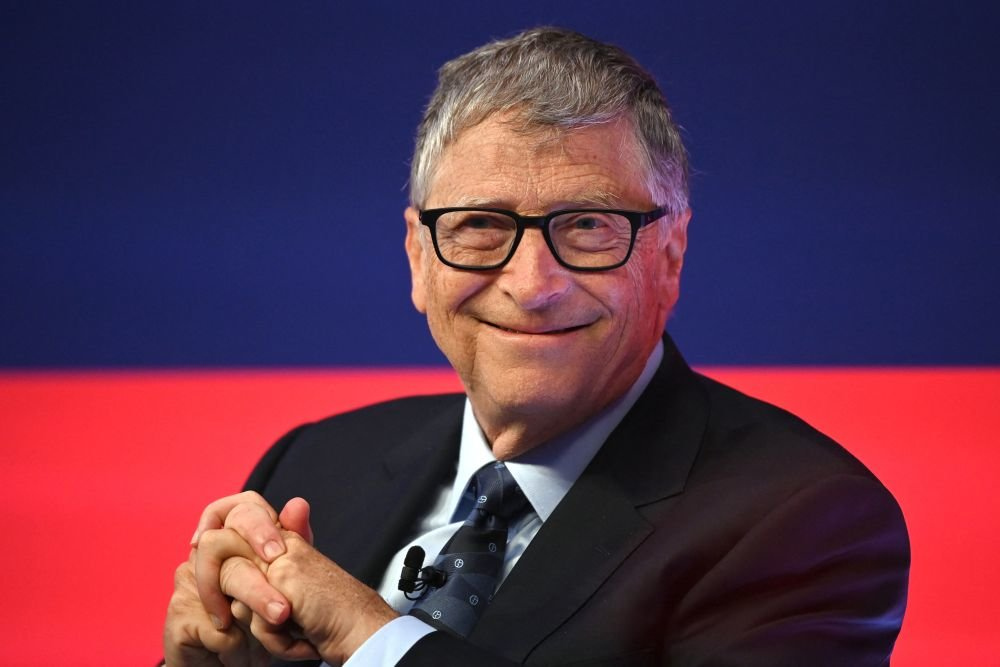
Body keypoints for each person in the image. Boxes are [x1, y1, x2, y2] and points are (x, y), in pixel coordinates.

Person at [163, 27, 909, 666]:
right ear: (419, 257)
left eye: (586, 225)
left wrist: (369, 636)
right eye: (481, 224)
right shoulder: (315, 463)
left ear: (671, 254)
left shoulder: (803, 520)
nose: (531, 285)